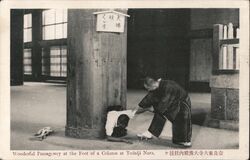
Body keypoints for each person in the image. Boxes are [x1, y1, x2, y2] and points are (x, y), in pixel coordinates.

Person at [136, 77, 192, 147]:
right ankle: (151, 132)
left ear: (153, 85)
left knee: (180, 118)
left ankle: (185, 140)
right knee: (160, 111)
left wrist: (151, 109)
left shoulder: (169, 87)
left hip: (182, 101)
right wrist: (136, 110)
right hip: (170, 100)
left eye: (148, 88)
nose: (147, 90)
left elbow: (163, 104)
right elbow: (149, 98)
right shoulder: (156, 87)